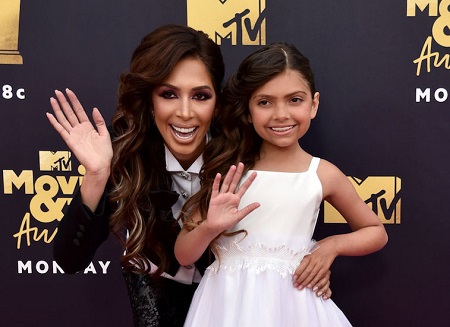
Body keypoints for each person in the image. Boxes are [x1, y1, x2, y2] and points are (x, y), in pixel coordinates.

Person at [46, 25, 332, 326]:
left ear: (216, 102)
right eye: (169, 94)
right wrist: (96, 174)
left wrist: (318, 255)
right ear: (150, 100)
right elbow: (70, 259)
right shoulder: (126, 157)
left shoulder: (245, 155)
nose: (185, 112)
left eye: (200, 96)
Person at [175, 43, 389, 326]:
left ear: (313, 104)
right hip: (226, 308)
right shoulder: (227, 171)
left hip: (296, 307)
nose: (281, 114)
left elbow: (375, 231)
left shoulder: (322, 174)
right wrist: (210, 228)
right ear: (248, 111)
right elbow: (184, 255)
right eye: (265, 102)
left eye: (294, 100)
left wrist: (330, 246)